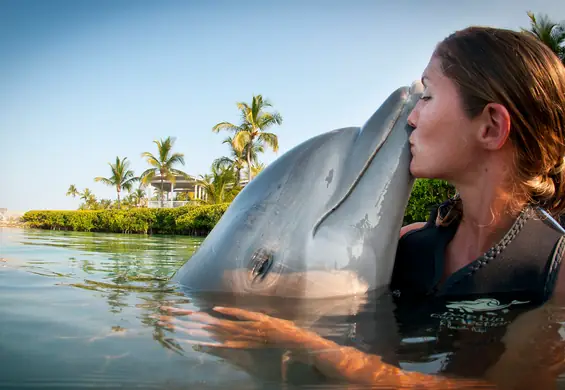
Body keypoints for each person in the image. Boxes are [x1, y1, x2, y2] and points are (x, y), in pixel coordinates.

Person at [158, 26, 565, 389]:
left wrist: (295, 339)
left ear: (490, 127)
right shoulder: (409, 248)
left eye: (428, 96)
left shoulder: (556, 269)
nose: (412, 115)